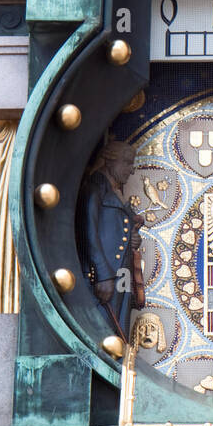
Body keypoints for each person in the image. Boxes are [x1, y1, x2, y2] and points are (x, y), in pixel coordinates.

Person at [82, 139, 144, 341]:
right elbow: (89, 232)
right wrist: (102, 276)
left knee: (120, 328)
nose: (131, 169)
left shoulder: (115, 192)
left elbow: (119, 229)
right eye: (126, 162)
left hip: (121, 274)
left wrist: (132, 239)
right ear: (109, 161)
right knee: (106, 331)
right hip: (107, 276)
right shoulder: (94, 189)